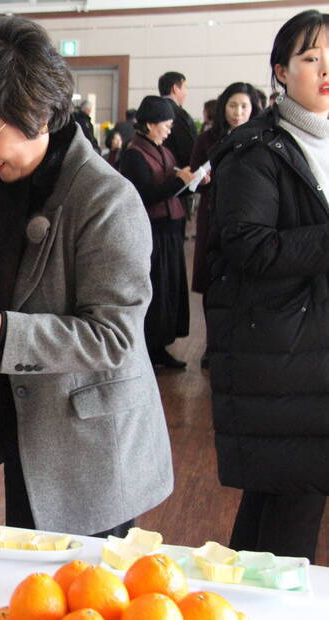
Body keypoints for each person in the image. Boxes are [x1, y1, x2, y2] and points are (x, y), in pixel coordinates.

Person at [0, 16, 173, 537]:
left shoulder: (106, 199)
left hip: (89, 447)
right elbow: (15, 295)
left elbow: (114, 337)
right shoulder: (13, 182)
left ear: (39, 114)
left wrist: (5, 333)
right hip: (28, 427)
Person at [205, 9, 329, 563]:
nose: (325, 68)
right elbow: (249, 245)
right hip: (287, 351)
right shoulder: (256, 150)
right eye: (310, 58)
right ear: (280, 71)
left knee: (277, 504)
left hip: (314, 345)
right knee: (292, 511)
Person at [118, 96, 193, 369]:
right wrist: (177, 181)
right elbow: (144, 195)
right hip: (153, 233)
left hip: (170, 231)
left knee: (168, 290)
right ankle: (149, 347)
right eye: (166, 125)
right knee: (155, 291)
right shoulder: (134, 154)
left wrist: (192, 182)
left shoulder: (162, 149)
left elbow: (171, 186)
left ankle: (160, 347)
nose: (169, 130)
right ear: (149, 124)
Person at [189, 82, 260, 303]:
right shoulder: (207, 138)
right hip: (213, 212)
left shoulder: (261, 137)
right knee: (213, 277)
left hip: (250, 213)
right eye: (232, 105)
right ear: (223, 107)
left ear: (253, 109)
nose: (237, 112)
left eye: (243, 106)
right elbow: (194, 175)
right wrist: (202, 180)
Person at [158, 71, 197, 169]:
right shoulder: (180, 114)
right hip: (179, 171)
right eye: (185, 87)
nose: (186, 93)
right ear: (175, 88)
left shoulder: (153, 111)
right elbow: (189, 149)